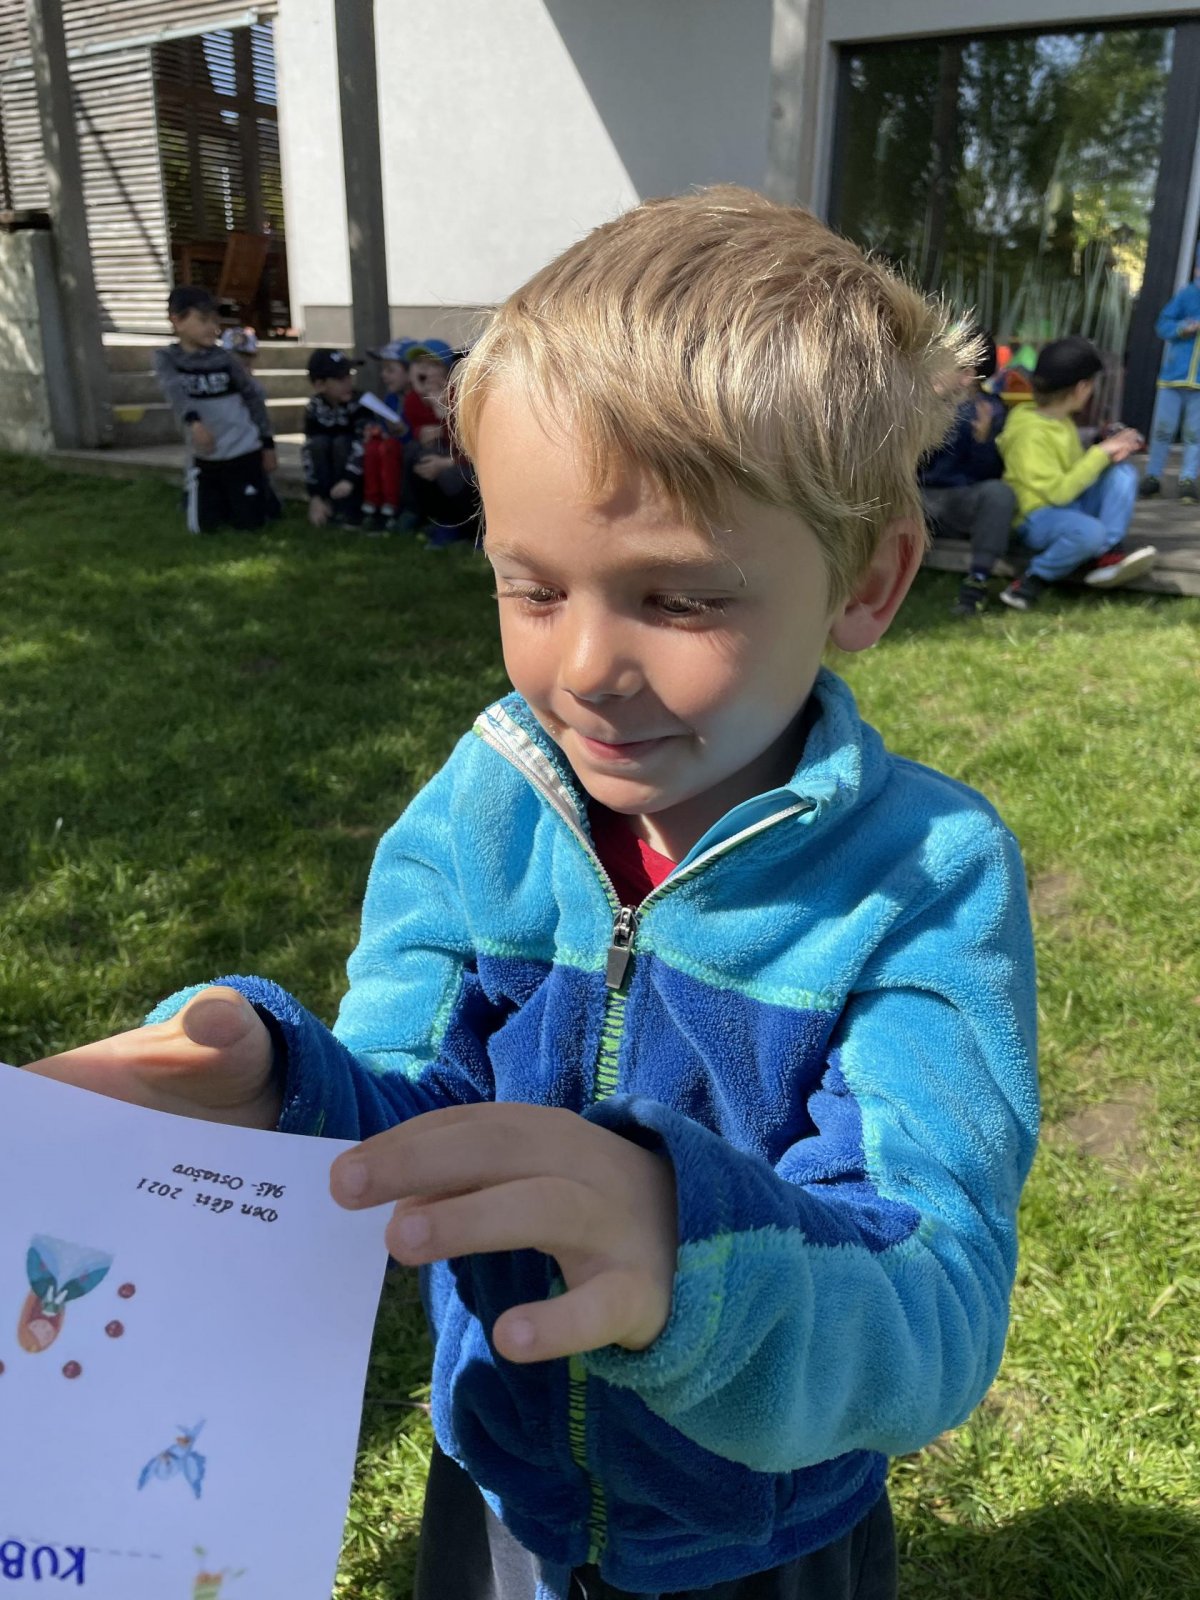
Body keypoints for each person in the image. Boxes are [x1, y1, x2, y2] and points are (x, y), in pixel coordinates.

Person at [29, 189, 1039, 1600]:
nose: (585, 671)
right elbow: (404, 1109)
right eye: (533, 586)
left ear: (867, 585)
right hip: (499, 1483)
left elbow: (932, 1311)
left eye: (680, 599)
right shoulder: (481, 810)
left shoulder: (925, 878)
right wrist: (280, 1089)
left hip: (758, 1533)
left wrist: (685, 1249)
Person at [996, 336, 1157, 611]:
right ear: (1082, 388)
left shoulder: (1060, 420)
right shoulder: (1029, 433)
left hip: (1070, 505)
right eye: (1092, 385)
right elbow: (1057, 494)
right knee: (1089, 533)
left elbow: (1075, 474)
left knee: (1122, 475)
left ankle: (1107, 556)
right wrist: (1100, 453)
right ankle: (1033, 579)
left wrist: (1107, 456)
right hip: (1037, 517)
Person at [154, 287, 276, 535]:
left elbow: (253, 398)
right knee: (204, 526)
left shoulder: (226, 359)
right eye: (203, 320)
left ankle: (261, 494)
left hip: (243, 451)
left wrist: (267, 444)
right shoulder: (167, 359)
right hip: (205, 458)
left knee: (251, 523)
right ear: (177, 321)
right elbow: (175, 392)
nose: (213, 328)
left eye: (215, 321)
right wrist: (195, 423)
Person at [919, 329, 1016, 616]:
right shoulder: (918, 405)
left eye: (940, 363)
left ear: (966, 375)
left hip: (960, 502)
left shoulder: (992, 411)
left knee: (999, 495)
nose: (931, 369)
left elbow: (991, 473)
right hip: (918, 500)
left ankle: (977, 581)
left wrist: (982, 442)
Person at [1139, 243, 1200, 505]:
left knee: (1194, 434)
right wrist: (1183, 328)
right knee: (1163, 430)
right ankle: (1153, 476)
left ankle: (1188, 480)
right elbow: (1162, 325)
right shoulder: (1187, 295)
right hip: (1173, 378)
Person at [403, 338, 478, 547]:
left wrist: (443, 413)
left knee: (447, 474)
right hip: (449, 456)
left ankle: (471, 529)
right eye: (419, 364)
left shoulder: (459, 395)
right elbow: (421, 433)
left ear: (446, 370)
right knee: (418, 458)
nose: (423, 370)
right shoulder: (416, 397)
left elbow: (468, 445)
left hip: (468, 461)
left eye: (431, 364)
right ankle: (442, 522)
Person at [222, 326, 283, 522]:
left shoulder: (254, 388)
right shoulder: (216, 385)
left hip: (249, 444)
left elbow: (261, 421)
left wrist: (267, 445)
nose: (241, 364)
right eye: (234, 358)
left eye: (246, 358)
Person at [302, 348, 367, 528]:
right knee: (318, 443)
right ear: (320, 385)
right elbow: (308, 450)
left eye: (349, 375)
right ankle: (323, 503)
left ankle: (349, 509)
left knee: (341, 443)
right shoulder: (314, 407)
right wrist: (314, 495)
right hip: (329, 475)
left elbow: (364, 443)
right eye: (340, 379)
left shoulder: (361, 403)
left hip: (356, 474)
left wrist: (349, 479)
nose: (348, 382)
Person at [361, 338, 417, 533]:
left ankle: (394, 505)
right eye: (383, 370)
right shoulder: (391, 398)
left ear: (410, 373)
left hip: (407, 453)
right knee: (372, 447)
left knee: (388, 447)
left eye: (390, 370)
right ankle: (373, 503)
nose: (384, 375)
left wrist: (404, 431)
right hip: (389, 451)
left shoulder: (418, 399)